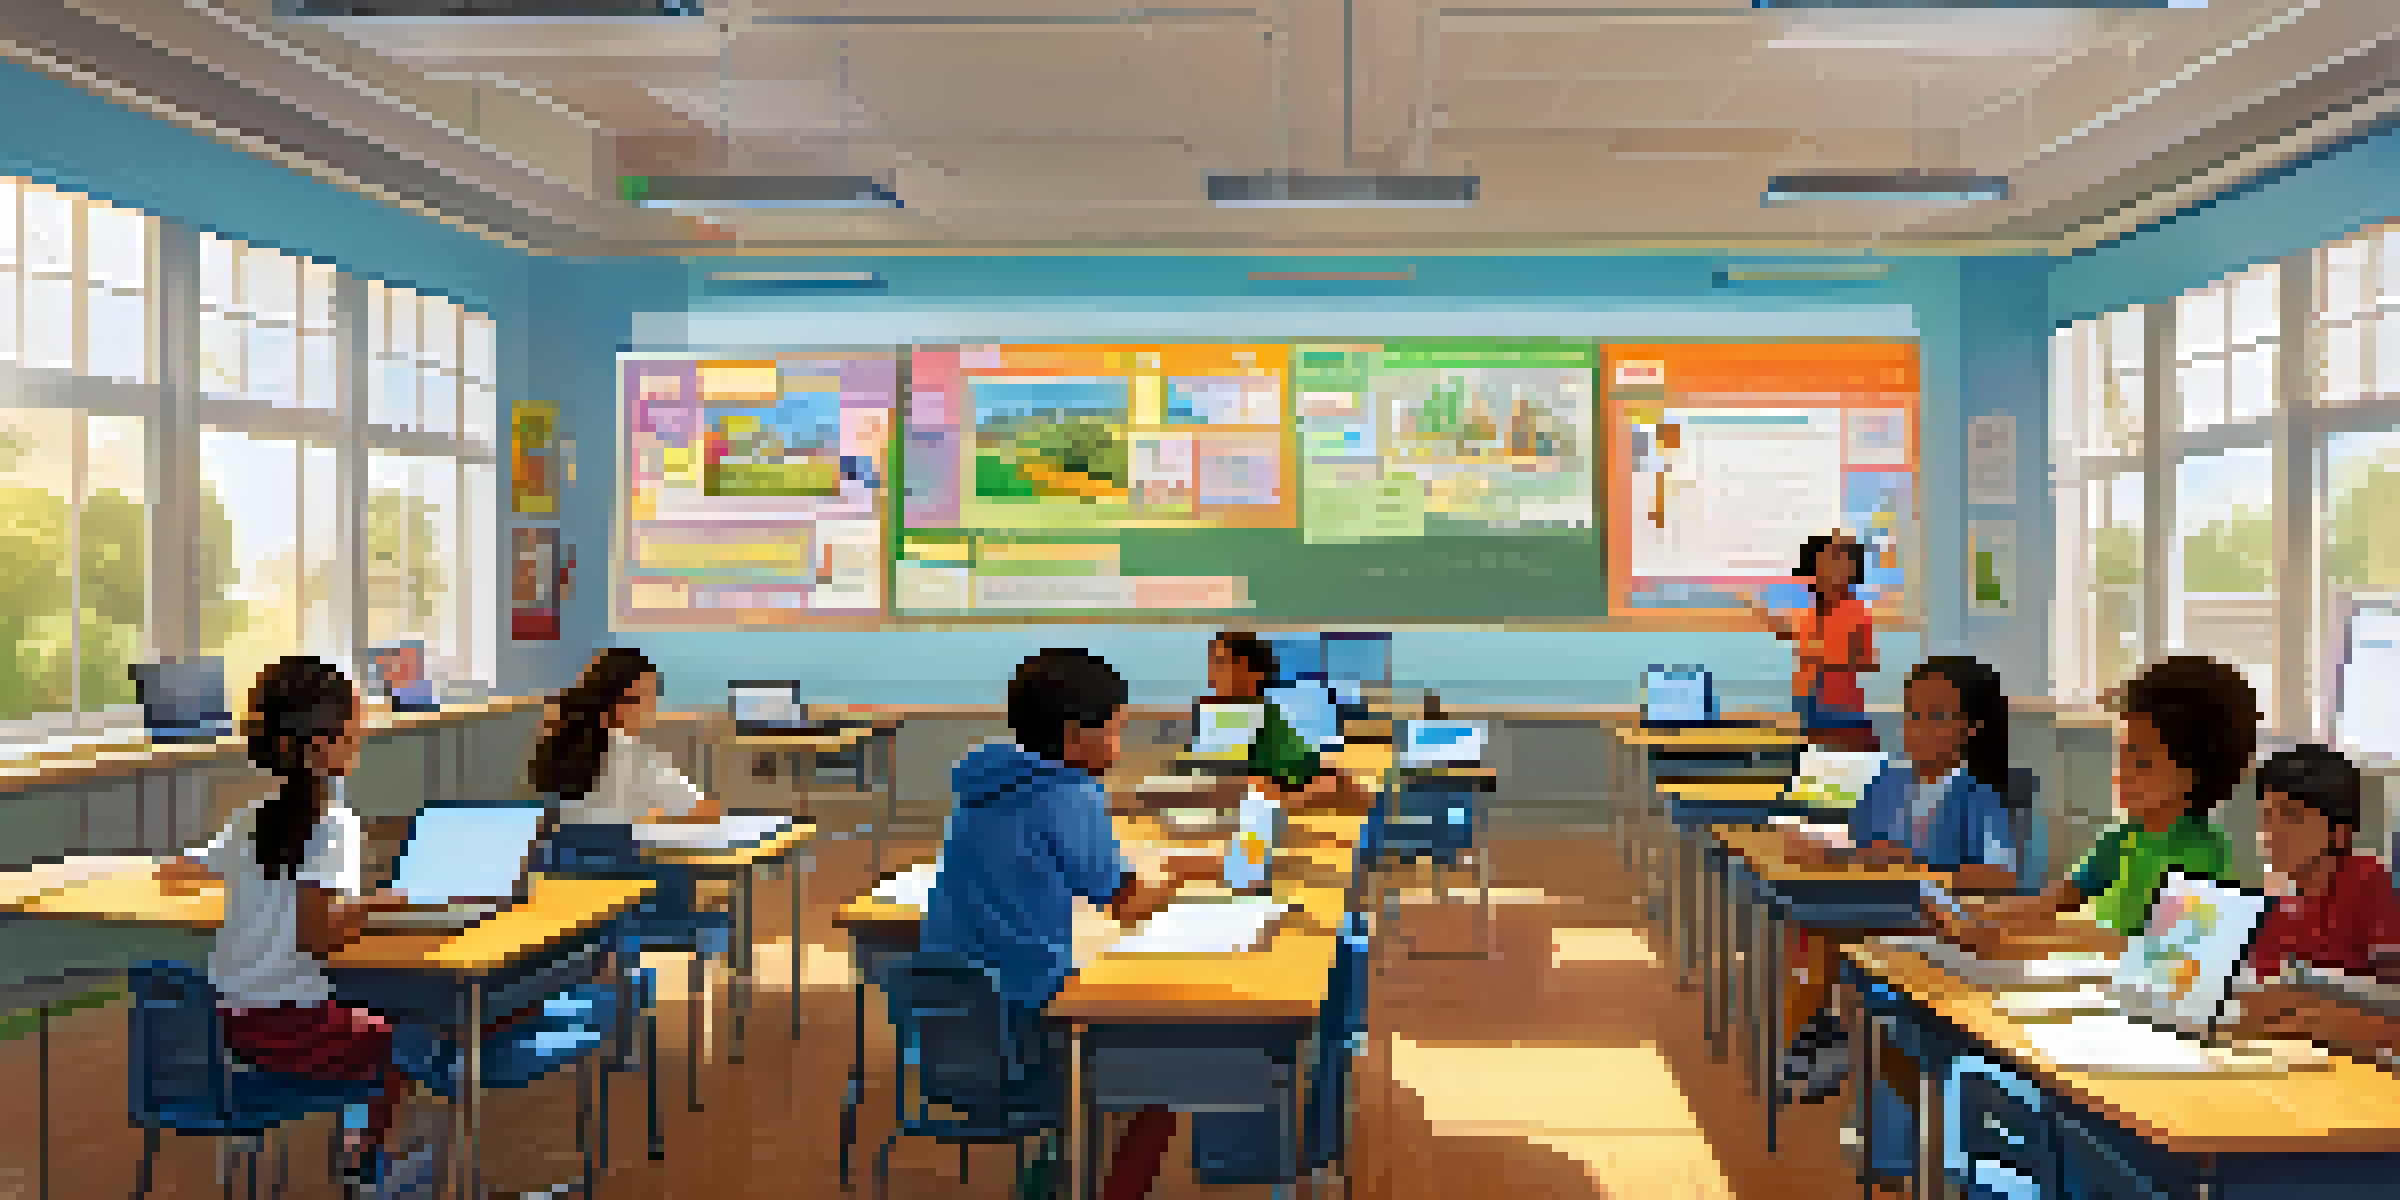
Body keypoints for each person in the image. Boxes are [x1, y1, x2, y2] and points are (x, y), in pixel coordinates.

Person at [920, 649, 1215, 1200]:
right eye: (1115, 732)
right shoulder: (1069, 794)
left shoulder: (983, 783)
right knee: (1172, 1072)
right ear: (1075, 735)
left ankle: (1056, 1168)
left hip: (955, 1035)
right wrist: (1179, 873)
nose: (1119, 747)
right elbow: (1124, 905)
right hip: (1029, 1025)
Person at [153, 657, 428, 1195]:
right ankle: (364, 1169)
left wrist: (249, 897)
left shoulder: (252, 817)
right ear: (324, 741)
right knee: (413, 1041)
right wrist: (379, 904)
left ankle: (358, 1153)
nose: (363, 732)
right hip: (289, 1028)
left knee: (374, 1016)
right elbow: (317, 937)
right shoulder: (333, 826)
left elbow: (179, 871)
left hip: (226, 1026)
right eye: (355, 722)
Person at [1778, 656, 2023, 1103]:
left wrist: (1919, 865)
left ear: (1971, 728)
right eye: (1912, 713)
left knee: (1829, 940)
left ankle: (1820, 1042)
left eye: (1937, 716)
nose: (1919, 727)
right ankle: (1813, 1040)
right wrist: (1839, 852)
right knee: (1818, 930)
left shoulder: (1977, 795)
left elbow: (2000, 873)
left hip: (1936, 915)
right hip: (1880, 906)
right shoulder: (1886, 782)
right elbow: (1859, 843)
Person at [1927, 654, 2255, 951]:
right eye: (2122, 754)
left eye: (2142, 763)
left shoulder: (2203, 858)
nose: (2123, 773)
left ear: (2191, 775)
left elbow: (2157, 952)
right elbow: (2060, 898)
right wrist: (1979, 914)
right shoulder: (2125, 836)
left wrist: (2032, 934)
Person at [2223, 745, 2400, 1059]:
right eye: (2266, 815)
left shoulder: (2370, 881)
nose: (2271, 831)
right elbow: (2260, 994)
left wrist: (2322, 1016)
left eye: (2291, 816)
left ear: (2339, 832)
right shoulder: (2276, 900)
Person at [529, 648, 720, 831]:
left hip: (561, 858)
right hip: (614, 860)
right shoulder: (631, 754)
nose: (652, 706)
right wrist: (658, 818)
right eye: (647, 696)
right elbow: (703, 810)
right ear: (620, 702)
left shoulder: (561, 741)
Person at [1747, 531, 1879, 752]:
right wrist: (1757, 609)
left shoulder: (1856, 611)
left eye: (1843, 561)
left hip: (1840, 705)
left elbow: (1865, 660)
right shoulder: (1806, 613)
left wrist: (1824, 657)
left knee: (1840, 757)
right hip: (1806, 701)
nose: (1835, 569)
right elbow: (1788, 631)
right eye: (1828, 561)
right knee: (1810, 757)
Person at [1204, 631, 1360, 809]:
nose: (1212, 674)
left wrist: (1272, 794)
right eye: (1212, 663)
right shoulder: (1223, 718)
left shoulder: (1264, 723)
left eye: (1221, 662)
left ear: (1252, 671)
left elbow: (1330, 785)